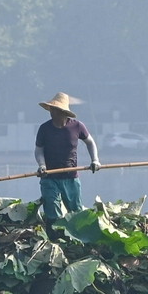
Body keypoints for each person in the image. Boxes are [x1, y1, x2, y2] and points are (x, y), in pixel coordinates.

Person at [35, 93, 100, 223]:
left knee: (76, 212)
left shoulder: (77, 126)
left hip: (70, 177)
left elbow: (90, 142)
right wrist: (42, 165)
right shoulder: (44, 128)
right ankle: (54, 236)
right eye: (51, 109)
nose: (52, 113)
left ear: (63, 112)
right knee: (52, 210)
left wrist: (95, 160)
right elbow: (38, 150)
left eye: (55, 110)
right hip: (49, 177)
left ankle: (76, 238)